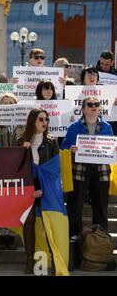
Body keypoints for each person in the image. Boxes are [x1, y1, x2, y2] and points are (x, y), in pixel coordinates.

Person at [61, 96, 114, 238]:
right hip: (79, 170)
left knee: (101, 208)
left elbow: (111, 148)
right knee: (75, 207)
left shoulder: (107, 127)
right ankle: (74, 240)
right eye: (90, 104)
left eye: (97, 104)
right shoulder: (74, 127)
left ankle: (101, 241)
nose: (94, 106)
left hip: (101, 171)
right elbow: (64, 147)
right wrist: (70, 148)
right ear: (83, 109)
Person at [18, 108, 60, 274]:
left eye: (46, 119)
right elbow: (18, 169)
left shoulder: (52, 141)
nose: (45, 122)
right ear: (32, 121)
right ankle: (29, 260)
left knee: (49, 224)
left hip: (47, 189)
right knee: (28, 223)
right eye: (41, 119)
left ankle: (55, 258)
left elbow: (53, 170)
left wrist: (41, 189)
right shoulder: (22, 140)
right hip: (28, 188)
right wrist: (23, 150)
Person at [0, 93, 24, 250]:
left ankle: (12, 234)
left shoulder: (22, 124)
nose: (7, 105)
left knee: (15, 202)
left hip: (18, 168)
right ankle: (1, 234)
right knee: (1, 202)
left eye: (10, 102)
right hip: (0, 168)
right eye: (4, 103)